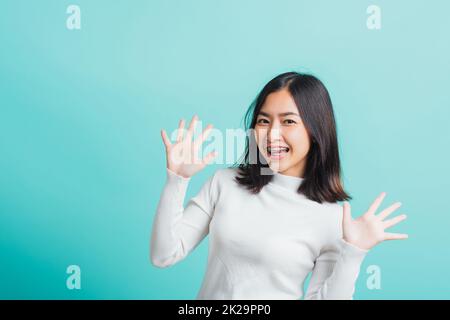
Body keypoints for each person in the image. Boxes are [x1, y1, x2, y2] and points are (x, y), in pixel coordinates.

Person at [150, 72, 408, 299]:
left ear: (316, 132)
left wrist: (354, 252)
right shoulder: (225, 183)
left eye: (288, 121)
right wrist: (177, 179)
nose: (272, 134)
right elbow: (164, 254)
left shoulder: (333, 217)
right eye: (264, 121)